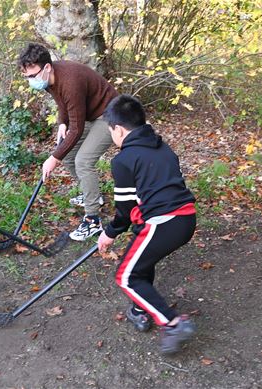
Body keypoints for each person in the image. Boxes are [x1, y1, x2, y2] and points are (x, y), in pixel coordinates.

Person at [97, 94, 197, 354]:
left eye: (111, 132)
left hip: (164, 222)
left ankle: (173, 323)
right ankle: (141, 308)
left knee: (126, 276)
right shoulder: (163, 148)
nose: (112, 137)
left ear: (118, 129)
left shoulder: (123, 160)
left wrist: (109, 233)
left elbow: (125, 210)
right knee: (141, 260)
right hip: (185, 219)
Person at [18, 43, 119, 241]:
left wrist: (53, 158)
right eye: (26, 76)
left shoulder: (70, 80)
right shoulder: (49, 78)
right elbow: (62, 101)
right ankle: (92, 195)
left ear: (47, 67)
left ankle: (93, 220)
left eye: (32, 76)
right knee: (69, 156)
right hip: (90, 114)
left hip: (110, 115)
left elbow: (77, 129)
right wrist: (62, 123)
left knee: (82, 161)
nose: (30, 81)